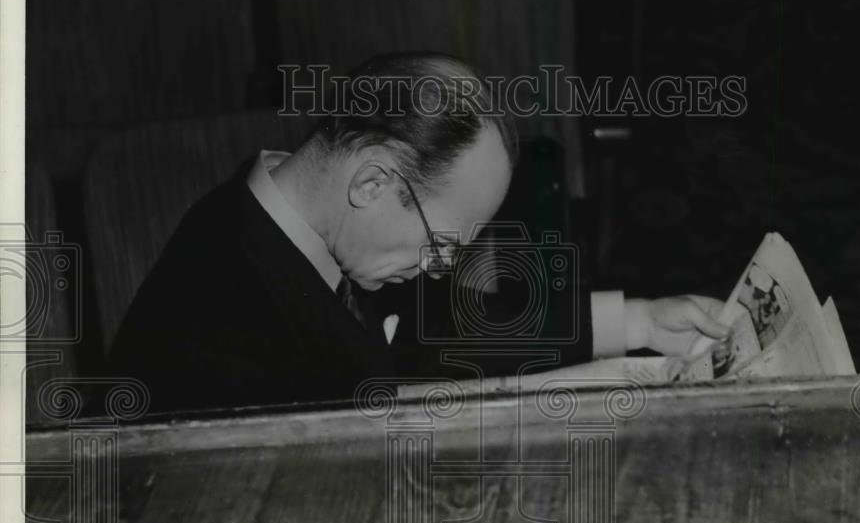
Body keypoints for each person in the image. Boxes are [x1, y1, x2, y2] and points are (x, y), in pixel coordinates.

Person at [108, 52, 730, 413]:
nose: (440, 268)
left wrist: (641, 322)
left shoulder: (316, 233)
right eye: (442, 245)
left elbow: (456, 327)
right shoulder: (223, 307)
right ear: (375, 183)